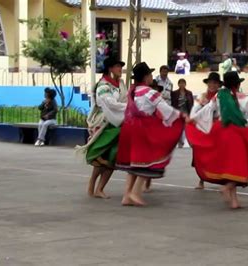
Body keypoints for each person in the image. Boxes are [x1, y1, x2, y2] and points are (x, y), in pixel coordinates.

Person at [186, 72, 248, 209]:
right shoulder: (243, 98)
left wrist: (194, 120)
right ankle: (227, 188)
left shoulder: (219, 95)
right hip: (235, 134)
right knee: (239, 165)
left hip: (220, 131)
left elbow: (207, 109)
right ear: (238, 84)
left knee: (230, 166)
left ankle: (234, 201)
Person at [117, 62, 184, 207]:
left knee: (134, 164)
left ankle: (127, 195)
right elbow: (166, 110)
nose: (152, 77)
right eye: (150, 75)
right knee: (148, 161)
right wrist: (182, 116)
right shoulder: (150, 92)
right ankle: (135, 193)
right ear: (146, 77)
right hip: (143, 128)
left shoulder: (133, 91)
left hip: (130, 128)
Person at [76, 57, 128, 199]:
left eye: (120, 66)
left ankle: (98, 187)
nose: (120, 69)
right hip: (104, 125)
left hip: (118, 123)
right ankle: (94, 186)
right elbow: (110, 103)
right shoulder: (103, 86)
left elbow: (124, 100)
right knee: (101, 158)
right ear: (110, 68)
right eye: (117, 66)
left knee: (112, 157)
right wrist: (129, 107)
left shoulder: (120, 84)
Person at [190, 72, 223, 190]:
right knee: (200, 154)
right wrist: (193, 119)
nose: (212, 85)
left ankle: (220, 179)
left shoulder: (221, 96)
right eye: (210, 82)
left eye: (215, 83)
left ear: (218, 85)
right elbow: (195, 110)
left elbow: (222, 113)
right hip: (203, 129)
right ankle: (201, 179)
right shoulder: (202, 96)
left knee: (218, 155)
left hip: (216, 129)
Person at [171, 79, 194, 148]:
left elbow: (191, 103)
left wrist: (191, 113)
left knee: (187, 128)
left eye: (183, 83)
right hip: (178, 113)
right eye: (180, 83)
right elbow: (172, 103)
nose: (182, 85)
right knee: (179, 128)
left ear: (185, 84)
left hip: (186, 112)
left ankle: (191, 142)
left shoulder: (189, 93)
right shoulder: (174, 93)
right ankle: (180, 143)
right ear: (178, 84)